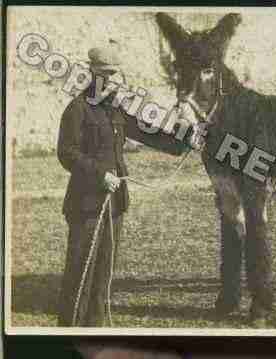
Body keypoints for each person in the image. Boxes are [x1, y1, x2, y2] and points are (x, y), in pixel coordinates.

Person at [57, 45, 186, 327]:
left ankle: (97, 331)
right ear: (93, 73)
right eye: (109, 74)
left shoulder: (117, 111)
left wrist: (185, 138)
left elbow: (154, 136)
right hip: (86, 206)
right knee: (80, 276)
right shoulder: (78, 109)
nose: (116, 80)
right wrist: (101, 174)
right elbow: (66, 152)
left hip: (114, 205)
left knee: (103, 276)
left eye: (117, 75)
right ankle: (68, 335)